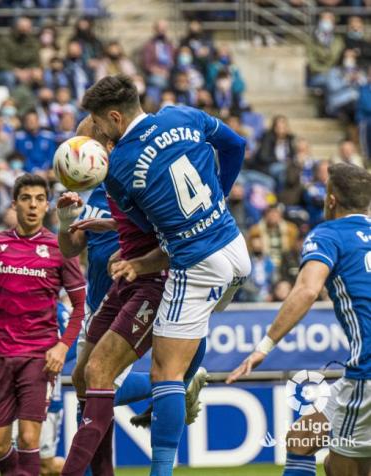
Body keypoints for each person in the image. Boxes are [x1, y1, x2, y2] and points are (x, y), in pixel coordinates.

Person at [80, 74, 250, 476]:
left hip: (197, 264)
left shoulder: (117, 165)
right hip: (234, 247)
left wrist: (137, 263)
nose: (100, 134)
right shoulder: (182, 114)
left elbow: (146, 230)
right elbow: (236, 145)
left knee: (164, 373)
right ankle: (191, 365)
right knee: (183, 337)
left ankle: (161, 470)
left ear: (116, 118)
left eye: (100, 124)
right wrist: (218, 196)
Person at [59, 116, 207, 476]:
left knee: (98, 378)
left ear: (105, 143)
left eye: (84, 143)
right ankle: (175, 386)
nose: (77, 152)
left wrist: (133, 257)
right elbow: (69, 248)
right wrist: (65, 221)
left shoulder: (133, 179)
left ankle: (171, 386)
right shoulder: (90, 188)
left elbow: (168, 231)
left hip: (142, 287)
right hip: (101, 301)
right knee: (85, 386)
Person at [227, 163, 371, 476]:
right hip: (358, 375)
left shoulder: (329, 234)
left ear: (330, 200)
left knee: (346, 468)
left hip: (367, 375)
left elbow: (306, 290)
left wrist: (264, 346)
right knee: (302, 439)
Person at [0, 174, 87, 476]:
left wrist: (63, 346)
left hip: (39, 357)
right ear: (15, 203)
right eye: (26, 198)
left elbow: (80, 307)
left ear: (47, 205)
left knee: (29, 439)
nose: (33, 205)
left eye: (40, 199)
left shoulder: (60, 248)